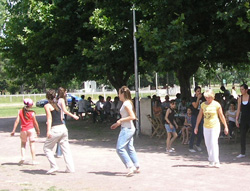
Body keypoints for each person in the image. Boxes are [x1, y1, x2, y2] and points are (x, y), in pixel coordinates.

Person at [43, 89, 79, 174]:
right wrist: (74, 116)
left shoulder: (47, 106)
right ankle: (70, 168)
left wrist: (48, 131)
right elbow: (64, 112)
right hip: (63, 128)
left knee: (47, 148)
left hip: (55, 128)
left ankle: (54, 166)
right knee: (66, 149)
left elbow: (49, 118)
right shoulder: (58, 105)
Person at [195, 89, 228, 168]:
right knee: (208, 143)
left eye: (209, 97)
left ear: (212, 97)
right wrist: (196, 126)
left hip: (215, 126)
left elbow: (221, 116)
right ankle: (211, 160)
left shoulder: (217, 104)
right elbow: (200, 116)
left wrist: (225, 126)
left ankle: (216, 160)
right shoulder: (203, 105)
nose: (207, 99)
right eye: (206, 97)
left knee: (214, 142)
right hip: (206, 126)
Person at [110, 86, 139, 177]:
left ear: (123, 94)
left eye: (119, 93)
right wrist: (118, 123)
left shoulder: (126, 104)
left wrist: (120, 121)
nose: (118, 95)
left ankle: (130, 166)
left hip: (127, 129)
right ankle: (136, 165)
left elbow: (132, 116)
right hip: (128, 127)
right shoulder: (127, 103)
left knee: (120, 148)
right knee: (130, 147)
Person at [11, 98, 40, 165]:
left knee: (23, 144)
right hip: (31, 129)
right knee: (32, 144)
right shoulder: (32, 113)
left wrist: (13, 130)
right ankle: (34, 160)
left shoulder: (20, 111)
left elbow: (17, 121)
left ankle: (23, 157)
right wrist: (38, 130)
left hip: (23, 129)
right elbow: (35, 123)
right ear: (31, 105)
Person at [189, 86, 205, 153]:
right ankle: (191, 146)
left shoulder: (203, 98)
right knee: (194, 131)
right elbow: (195, 106)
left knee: (201, 131)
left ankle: (197, 144)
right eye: (198, 91)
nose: (199, 92)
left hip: (201, 116)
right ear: (195, 92)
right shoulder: (193, 98)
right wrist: (198, 99)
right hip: (195, 116)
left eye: (200, 91)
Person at [236, 84, 250, 158]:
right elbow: (238, 109)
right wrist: (237, 119)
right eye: (240, 89)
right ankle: (242, 152)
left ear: (246, 90)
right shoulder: (240, 99)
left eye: (242, 89)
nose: (241, 91)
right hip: (243, 119)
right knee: (242, 135)